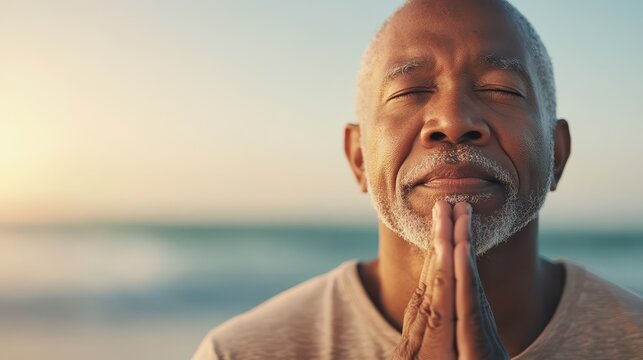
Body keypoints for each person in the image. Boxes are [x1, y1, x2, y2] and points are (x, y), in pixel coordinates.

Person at [193, 0, 643, 358]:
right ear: (359, 158)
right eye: (409, 91)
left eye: (501, 89)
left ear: (557, 153)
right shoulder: (241, 353)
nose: (452, 120)